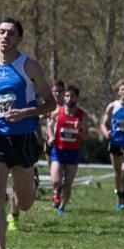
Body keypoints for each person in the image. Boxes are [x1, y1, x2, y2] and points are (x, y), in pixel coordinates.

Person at [0, 18, 53, 249]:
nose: (5, 36)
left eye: (11, 33)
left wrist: (25, 113)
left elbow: (51, 104)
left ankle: (28, 181)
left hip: (23, 139)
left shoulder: (29, 66)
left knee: (25, 203)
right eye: (1, 32)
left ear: (19, 39)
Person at [47, 84, 87, 216]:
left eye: (72, 96)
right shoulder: (58, 112)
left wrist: (80, 128)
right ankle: (57, 191)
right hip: (58, 150)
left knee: (68, 182)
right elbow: (49, 125)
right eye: (67, 96)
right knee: (56, 180)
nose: (69, 99)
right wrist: (51, 136)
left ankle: (62, 208)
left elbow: (85, 136)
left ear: (76, 98)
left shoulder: (82, 115)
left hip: (73, 151)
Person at [100, 79, 124, 210]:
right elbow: (103, 124)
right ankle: (119, 198)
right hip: (116, 142)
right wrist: (106, 132)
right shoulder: (113, 106)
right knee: (117, 172)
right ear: (118, 92)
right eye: (122, 89)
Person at [47, 79, 66, 207]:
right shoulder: (48, 104)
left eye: (59, 91)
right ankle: (56, 191)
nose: (57, 94)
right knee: (53, 172)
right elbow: (42, 118)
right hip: (50, 142)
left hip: (65, 143)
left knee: (62, 171)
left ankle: (59, 194)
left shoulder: (68, 106)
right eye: (54, 91)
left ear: (64, 92)